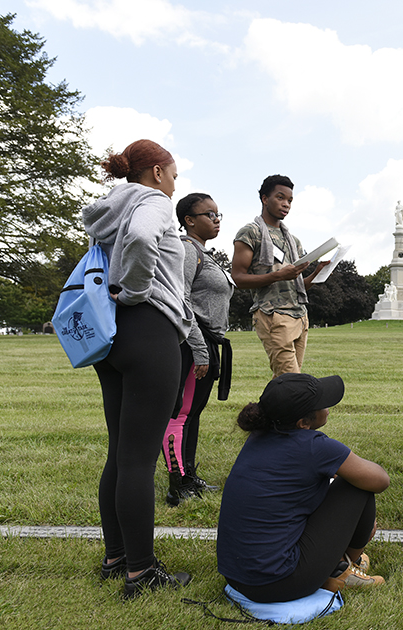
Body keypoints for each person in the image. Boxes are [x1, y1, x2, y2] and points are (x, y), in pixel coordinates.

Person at [82, 139, 194, 598]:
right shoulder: (153, 201)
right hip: (149, 329)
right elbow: (145, 238)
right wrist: (133, 290)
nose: (174, 182)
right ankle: (141, 572)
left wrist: (122, 296)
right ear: (156, 173)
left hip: (112, 335)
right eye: (173, 173)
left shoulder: (109, 207)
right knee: (138, 459)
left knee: (121, 452)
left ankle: (116, 557)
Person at [217, 373, 389, 602]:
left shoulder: (258, 436)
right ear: (303, 423)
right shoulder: (315, 447)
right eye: (322, 403)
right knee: (355, 486)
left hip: (237, 577)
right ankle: (345, 568)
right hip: (280, 583)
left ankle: (340, 564)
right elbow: (379, 480)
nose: (328, 405)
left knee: (341, 480)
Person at [161, 193, 234, 506]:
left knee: (194, 413)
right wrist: (200, 350)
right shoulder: (188, 250)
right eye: (209, 214)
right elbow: (182, 298)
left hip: (207, 342)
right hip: (194, 345)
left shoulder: (205, 252)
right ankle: (177, 484)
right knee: (181, 413)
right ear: (189, 220)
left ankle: (189, 474)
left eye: (219, 214)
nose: (216, 220)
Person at [230, 175, 328, 378]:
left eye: (290, 200)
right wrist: (277, 276)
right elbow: (238, 278)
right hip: (272, 315)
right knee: (292, 380)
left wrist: (317, 274)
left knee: (285, 381)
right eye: (280, 198)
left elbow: (296, 285)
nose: (286, 204)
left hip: (300, 316)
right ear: (265, 199)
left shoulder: (293, 240)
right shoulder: (251, 232)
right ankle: (270, 411)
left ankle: (262, 411)